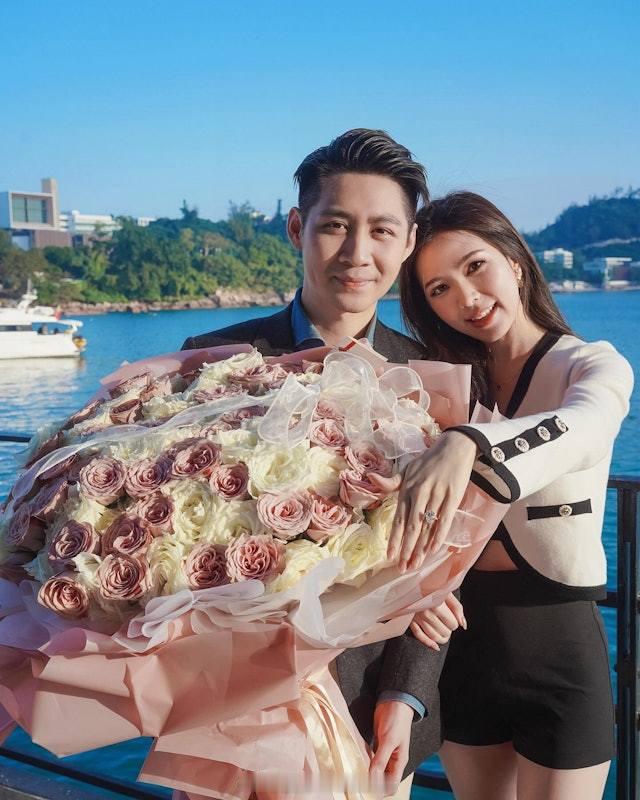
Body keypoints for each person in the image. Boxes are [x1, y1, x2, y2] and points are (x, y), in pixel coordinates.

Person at [181, 128, 456, 798]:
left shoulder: (435, 377)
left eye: (382, 231)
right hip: (226, 707)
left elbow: (446, 563)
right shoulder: (212, 360)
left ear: (408, 242)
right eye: (335, 226)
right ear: (296, 228)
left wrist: (406, 696)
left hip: (371, 715)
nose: (358, 253)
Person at [385, 191, 633, 800]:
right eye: (439, 289)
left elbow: (586, 425)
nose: (467, 298)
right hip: (458, 641)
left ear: (515, 263)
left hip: (559, 646)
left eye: (476, 267)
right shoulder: (434, 383)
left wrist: (468, 442)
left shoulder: (591, 365)